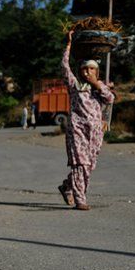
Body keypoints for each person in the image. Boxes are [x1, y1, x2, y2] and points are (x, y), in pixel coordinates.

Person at [58, 30, 114, 211]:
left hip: (95, 132)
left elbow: (110, 99)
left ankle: (67, 186)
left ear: (97, 71)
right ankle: (80, 199)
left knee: (89, 165)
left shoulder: (100, 87)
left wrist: (97, 84)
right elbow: (64, 67)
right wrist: (68, 45)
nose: (87, 72)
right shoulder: (75, 85)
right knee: (79, 164)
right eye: (84, 68)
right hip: (77, 130)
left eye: (91, 69)